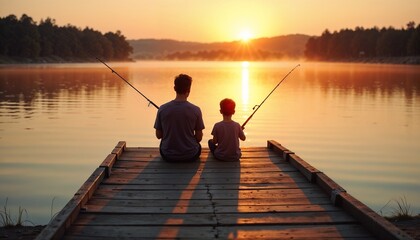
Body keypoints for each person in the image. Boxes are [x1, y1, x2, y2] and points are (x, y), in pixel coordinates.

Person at [154, 74, 205, 162]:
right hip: (190, 155)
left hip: (168, 155)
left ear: (174, 88)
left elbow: (159, 135)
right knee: (197, 146)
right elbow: (199, 138)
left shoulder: (162, 108)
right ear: (189, 90)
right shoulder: (196, 110)